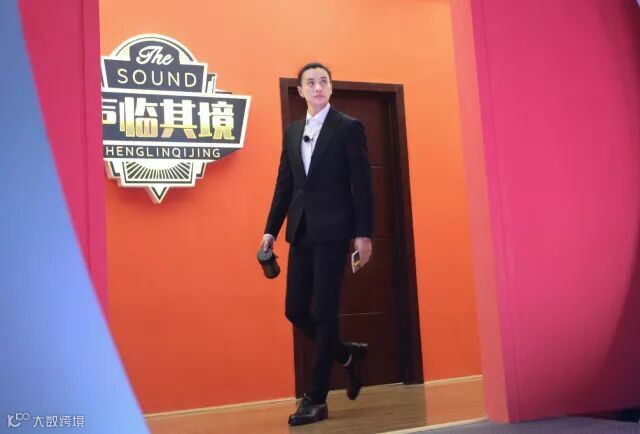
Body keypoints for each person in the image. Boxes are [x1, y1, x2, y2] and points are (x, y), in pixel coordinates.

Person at [260, 62, 374, 426]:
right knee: (295, 309)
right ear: (301, 91)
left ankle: (316, 397)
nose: (318, 86)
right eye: (310, 82)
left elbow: (363, 185)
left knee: (325, 311)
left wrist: (364, 234)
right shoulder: (293, 131)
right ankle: (347, 354)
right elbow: (285, 185)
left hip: (335, 232)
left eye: (323, 81)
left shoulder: (348, 127)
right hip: (301, 231)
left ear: (331, 88)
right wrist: (270, 230)